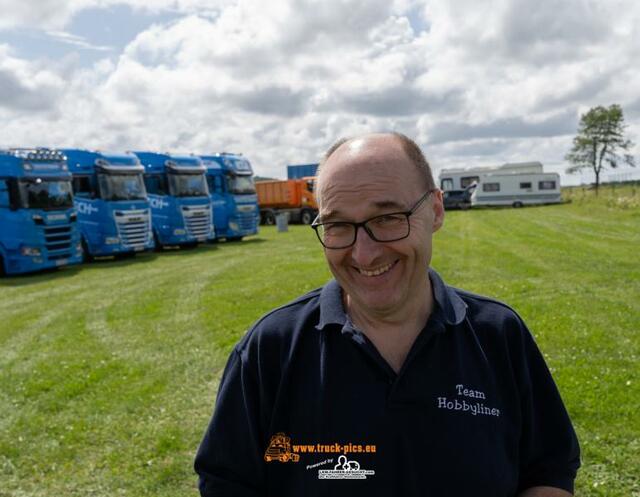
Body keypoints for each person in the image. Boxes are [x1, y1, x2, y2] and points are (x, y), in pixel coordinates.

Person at [194, 132, 580, 497]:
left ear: (436, 211)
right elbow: (228, 482)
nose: (364, 254)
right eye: (338, 225)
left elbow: (548, 469)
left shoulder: (499, 336)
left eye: (387, 218)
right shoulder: (270, 350)